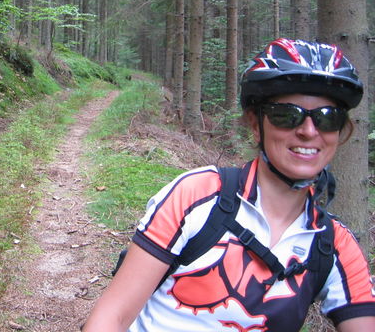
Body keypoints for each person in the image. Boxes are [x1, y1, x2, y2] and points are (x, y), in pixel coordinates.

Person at [82, 38, 375, 332]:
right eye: (287, 115)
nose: (308, 131)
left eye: (328, 118)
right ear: (255, 124)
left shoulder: (334, 244)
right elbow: (111, 318)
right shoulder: (197, 195)